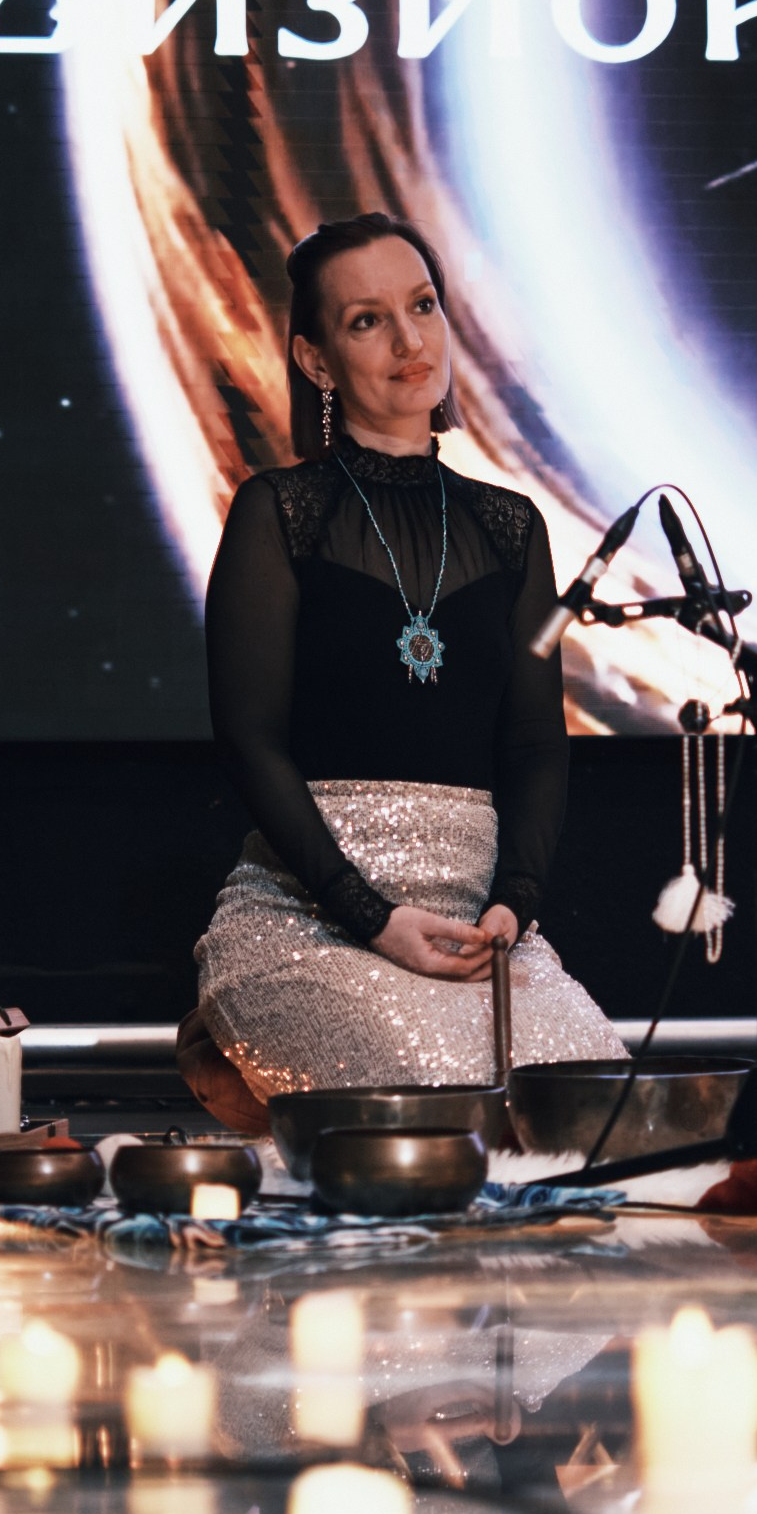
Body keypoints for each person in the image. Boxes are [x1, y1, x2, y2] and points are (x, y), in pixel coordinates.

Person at [193, 212, 625, 1108]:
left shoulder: (512, 527)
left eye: (422, 306)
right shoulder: (277, 511)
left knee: (596, 1109)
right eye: (367, 320)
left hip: (477, 934)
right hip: (308, 924)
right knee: (440, 1101)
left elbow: (535, 744)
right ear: (315, 360)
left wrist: (514, 905)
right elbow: (248, 740)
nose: (408, 340)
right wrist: (371, 917)